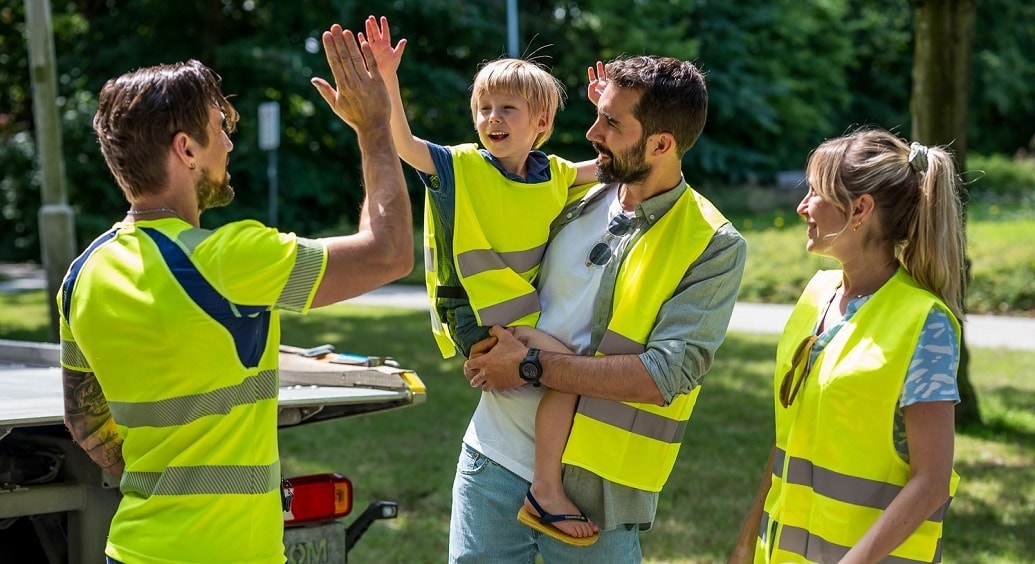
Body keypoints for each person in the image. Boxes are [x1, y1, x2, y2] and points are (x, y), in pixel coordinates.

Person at [58, 25, 412, 564]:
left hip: (132, 550)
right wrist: (374, 129)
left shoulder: (82, 276)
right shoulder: (230, 259)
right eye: (218, 129)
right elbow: (390, 251)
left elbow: (83, 419)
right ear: (186, 150)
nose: (228, 142)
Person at [458, 55, 748, 562]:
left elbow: (664, 375)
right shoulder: (573, 192)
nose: (593, 131)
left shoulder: (712, 243)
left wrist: (527, 364)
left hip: (594, 496)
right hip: (492, 460)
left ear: (660, 144)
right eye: (599, 114)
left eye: (611, 122)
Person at [729, 128, 965, 564]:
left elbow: (931, 481)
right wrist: (747, 543)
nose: (802, 206)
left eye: (815, 192)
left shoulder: (925, 324)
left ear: (860, 209)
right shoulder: (817, 293)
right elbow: (788, 442)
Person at [362, 16, 597, 363]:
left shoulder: (552, 173)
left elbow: (609, 166)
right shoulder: (459, 166)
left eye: (507, 108)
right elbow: (405, 145)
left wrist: (606, 111)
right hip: (472, 315)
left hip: (526, 311)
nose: (493, 117)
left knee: (566, 374)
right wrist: (388, 78)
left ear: (542, 122)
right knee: (574, 369)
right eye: (484, 109)